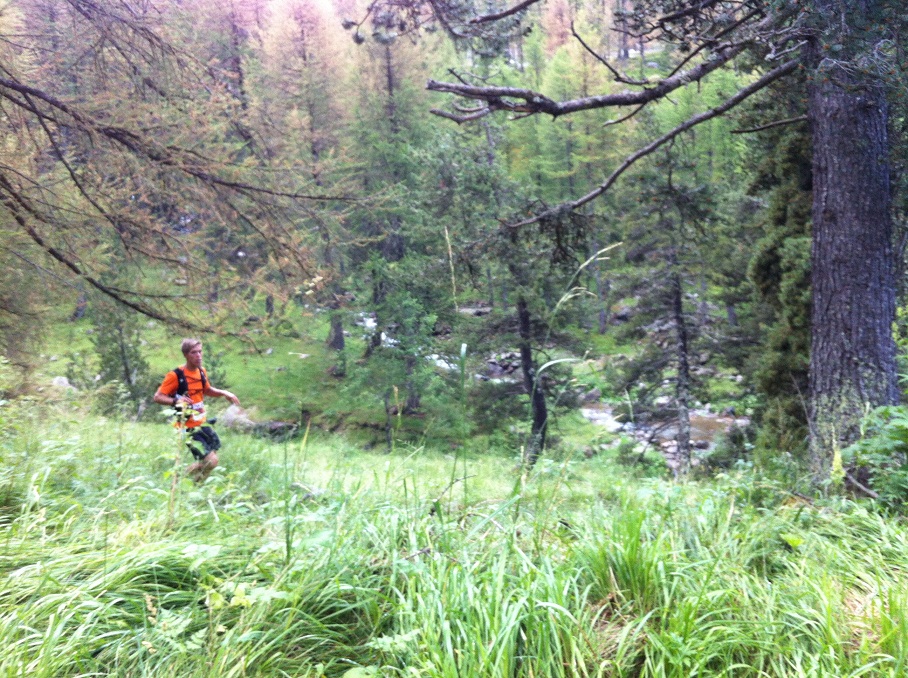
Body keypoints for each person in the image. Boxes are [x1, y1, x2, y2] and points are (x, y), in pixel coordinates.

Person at [153, 338, 240, 483]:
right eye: (194, 352)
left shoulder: (201, 371)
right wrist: (176, 401)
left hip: (203, 423)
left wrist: (224, 393)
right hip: (187, 427)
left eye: (200, 352)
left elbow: (207, 390)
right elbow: (158, 397)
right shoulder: (175, 375)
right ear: (186, 355)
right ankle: (178, 482)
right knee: (210, 462)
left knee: (211, 461)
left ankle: (189, 485)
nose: (198, 355)